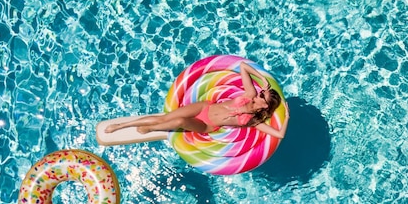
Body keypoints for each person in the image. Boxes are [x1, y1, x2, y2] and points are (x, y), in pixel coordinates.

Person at [105, 62, 290, 139]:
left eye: (262, 96)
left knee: (177, 121)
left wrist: (286, 117)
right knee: (166, 117)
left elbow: (279, 135)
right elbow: (243, 66)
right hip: (203, 108)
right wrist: (262, 78)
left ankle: (150, 128)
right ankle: (121, 126)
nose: (258, 93)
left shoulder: (254, 121)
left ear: (265, 105)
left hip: (207, 125)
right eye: (260, 92)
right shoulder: (249, 94)